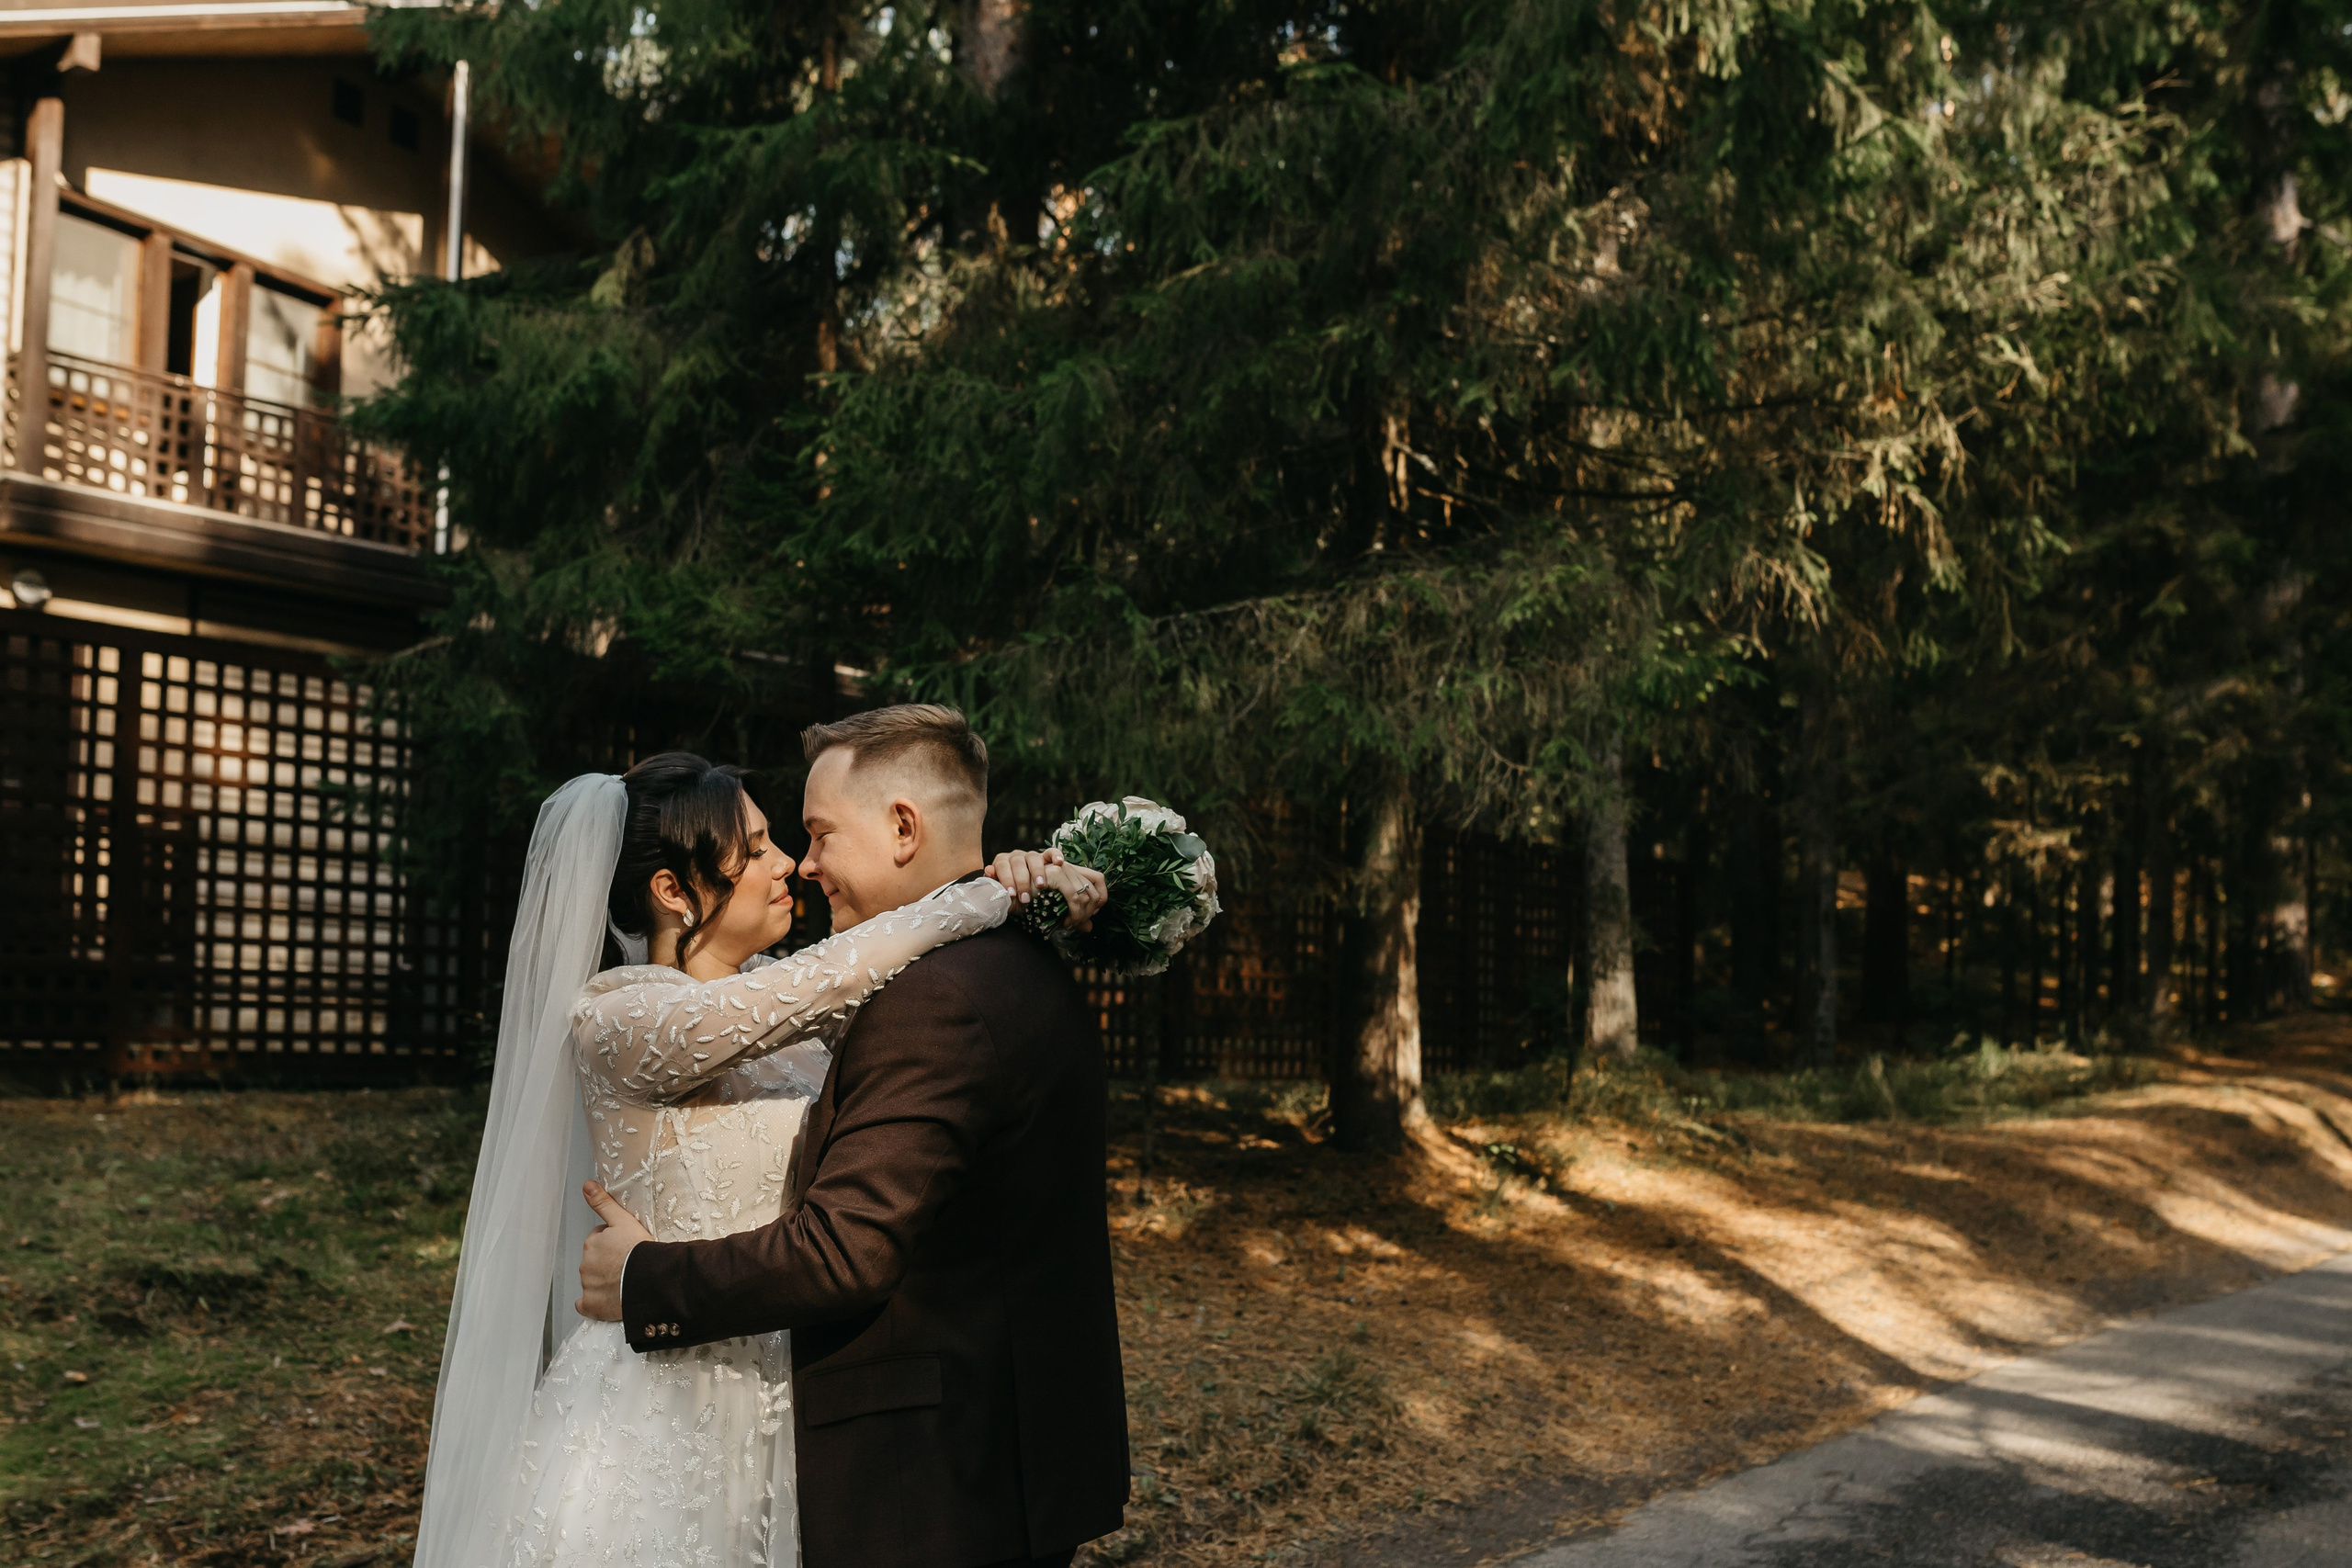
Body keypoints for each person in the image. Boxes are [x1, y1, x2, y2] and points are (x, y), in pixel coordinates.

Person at [413, 739, 1107, 1568]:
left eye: (787, 838)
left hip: (791, 1393)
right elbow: (820, 982)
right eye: (755, 850)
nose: (790, 865)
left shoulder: (796, 1000)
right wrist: (981, 894)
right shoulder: (617, 1019)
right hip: (665, 1396)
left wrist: (1018, 877)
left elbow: (871, 1002)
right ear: (673, 890)